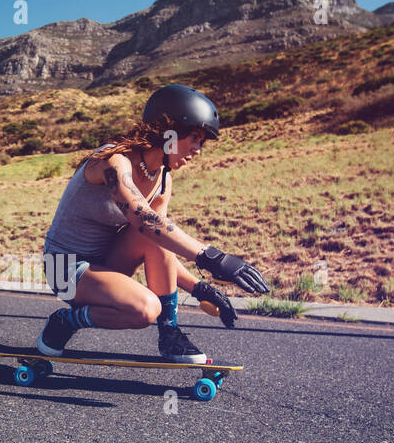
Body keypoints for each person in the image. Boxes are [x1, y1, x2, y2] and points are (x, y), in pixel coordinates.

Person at [39, 83, 270, 362]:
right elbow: (142, 218)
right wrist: (211, 256)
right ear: (169, 132)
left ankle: (170, 334)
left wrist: (201, 289)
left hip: (104, 266)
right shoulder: (114, 162)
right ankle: (65, 321)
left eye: (202, 143)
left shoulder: (162, 180)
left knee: (159, 229)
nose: (198, 149)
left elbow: (159, 241)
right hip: (63, 268)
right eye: (194, 138)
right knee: (145, 308)